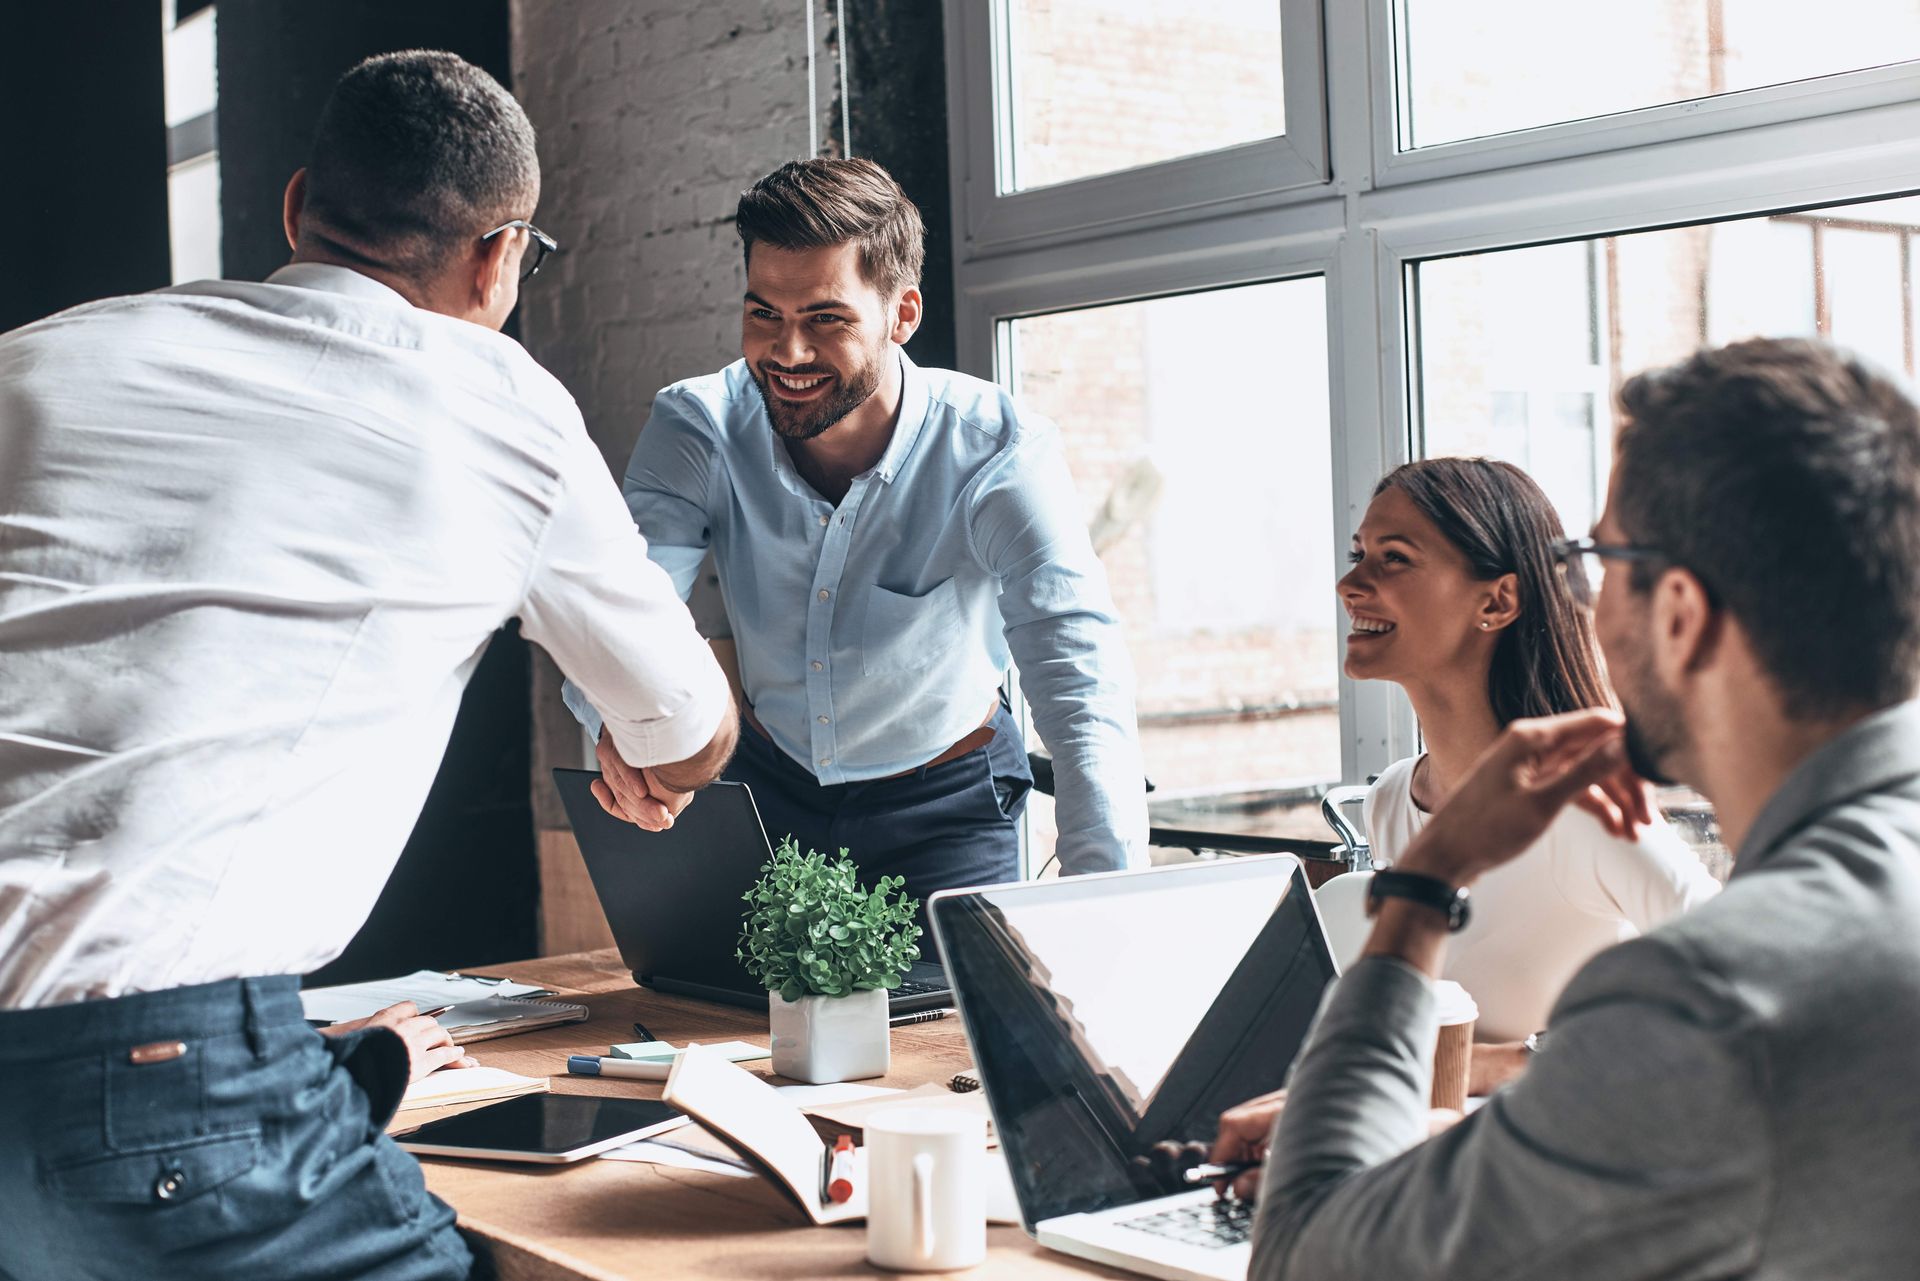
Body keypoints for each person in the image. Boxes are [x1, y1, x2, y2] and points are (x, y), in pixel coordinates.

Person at [0, 51, 735, 1281]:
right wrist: (641, 747)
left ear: (296, 210)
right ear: (501, 258)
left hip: (169, 1065)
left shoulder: (36, 361)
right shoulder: (496, 402)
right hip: (153, 1086)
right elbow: (688, 733)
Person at [1213, 336, 1920, 1279]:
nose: (1578, 594)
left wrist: (1422, 888)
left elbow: (1307, 1257)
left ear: (1678, 610)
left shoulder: (1714, 995)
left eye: (1599, 555)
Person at [566, 158, 1147, 909]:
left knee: (958, 1026)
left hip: (946, 808)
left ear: (902, 316)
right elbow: (617, 607)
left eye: (826, 319)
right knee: (728, 1021)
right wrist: (622, 726)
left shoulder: (999, 452)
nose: (788, 353)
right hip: (766, 788)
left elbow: (1079, 676)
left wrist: (1106, 901)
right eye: (764, 313)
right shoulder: (700, 425)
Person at [1336, 458, 1719, 1086]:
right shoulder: (1391, 799)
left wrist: (1496, 1064)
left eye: (1394, 558)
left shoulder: (1583, 812)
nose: (1351, 583)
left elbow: (1743, 987)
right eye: (1359, 554)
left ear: (1497, 600)